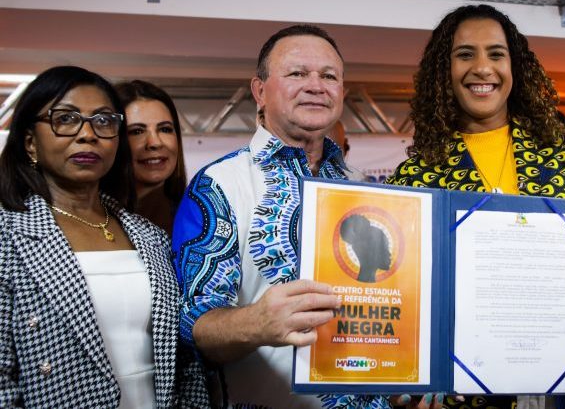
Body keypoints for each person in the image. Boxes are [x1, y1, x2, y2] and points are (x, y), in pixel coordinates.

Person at [386, 4, 565, 409]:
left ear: (516, 67)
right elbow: (408, 294)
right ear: (444, 70)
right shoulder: (415, 179)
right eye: (464, 54)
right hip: (464, 390)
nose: (482, 68)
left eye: (496, 54)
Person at [172, 25, 443, 408]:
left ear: (342, 93)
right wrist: (258, 322)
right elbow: (192, 327)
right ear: (259, 92)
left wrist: (400, 383)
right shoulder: (220, 184)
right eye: (297, 73)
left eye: (329, 76)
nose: (316, 85)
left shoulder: (365, 187)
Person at [0, 66, 208, 408]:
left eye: (103, 121)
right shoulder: (10, 234)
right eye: (65, 119)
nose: (88, 135)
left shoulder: (149, 235)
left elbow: (183, 364)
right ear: (29, 142)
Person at [116, 80, 187, 236]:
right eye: (137, 131)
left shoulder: (202, 215)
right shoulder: (91, 220)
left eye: (165, 129)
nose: (155, 143)